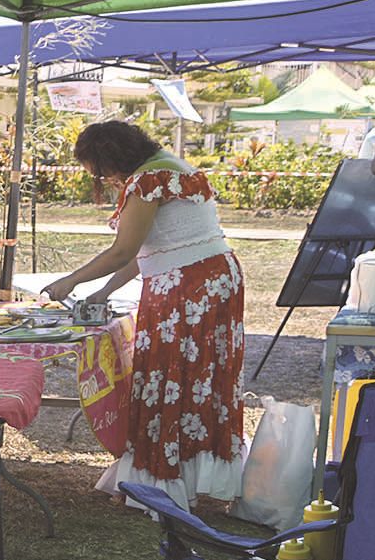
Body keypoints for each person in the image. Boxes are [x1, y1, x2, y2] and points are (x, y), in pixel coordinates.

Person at [46, 120, 245, 510]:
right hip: (208, 279)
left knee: (168, 376)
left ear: (114, 159)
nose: (106, 181)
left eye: (102, 173)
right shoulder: (169, 167)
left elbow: (124, 250)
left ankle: (164, 478)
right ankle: (191, 475)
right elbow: (149, 250)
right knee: (200, 380)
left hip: (190, 288)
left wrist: (70, 280)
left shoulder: (148, 179)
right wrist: (104, 290)